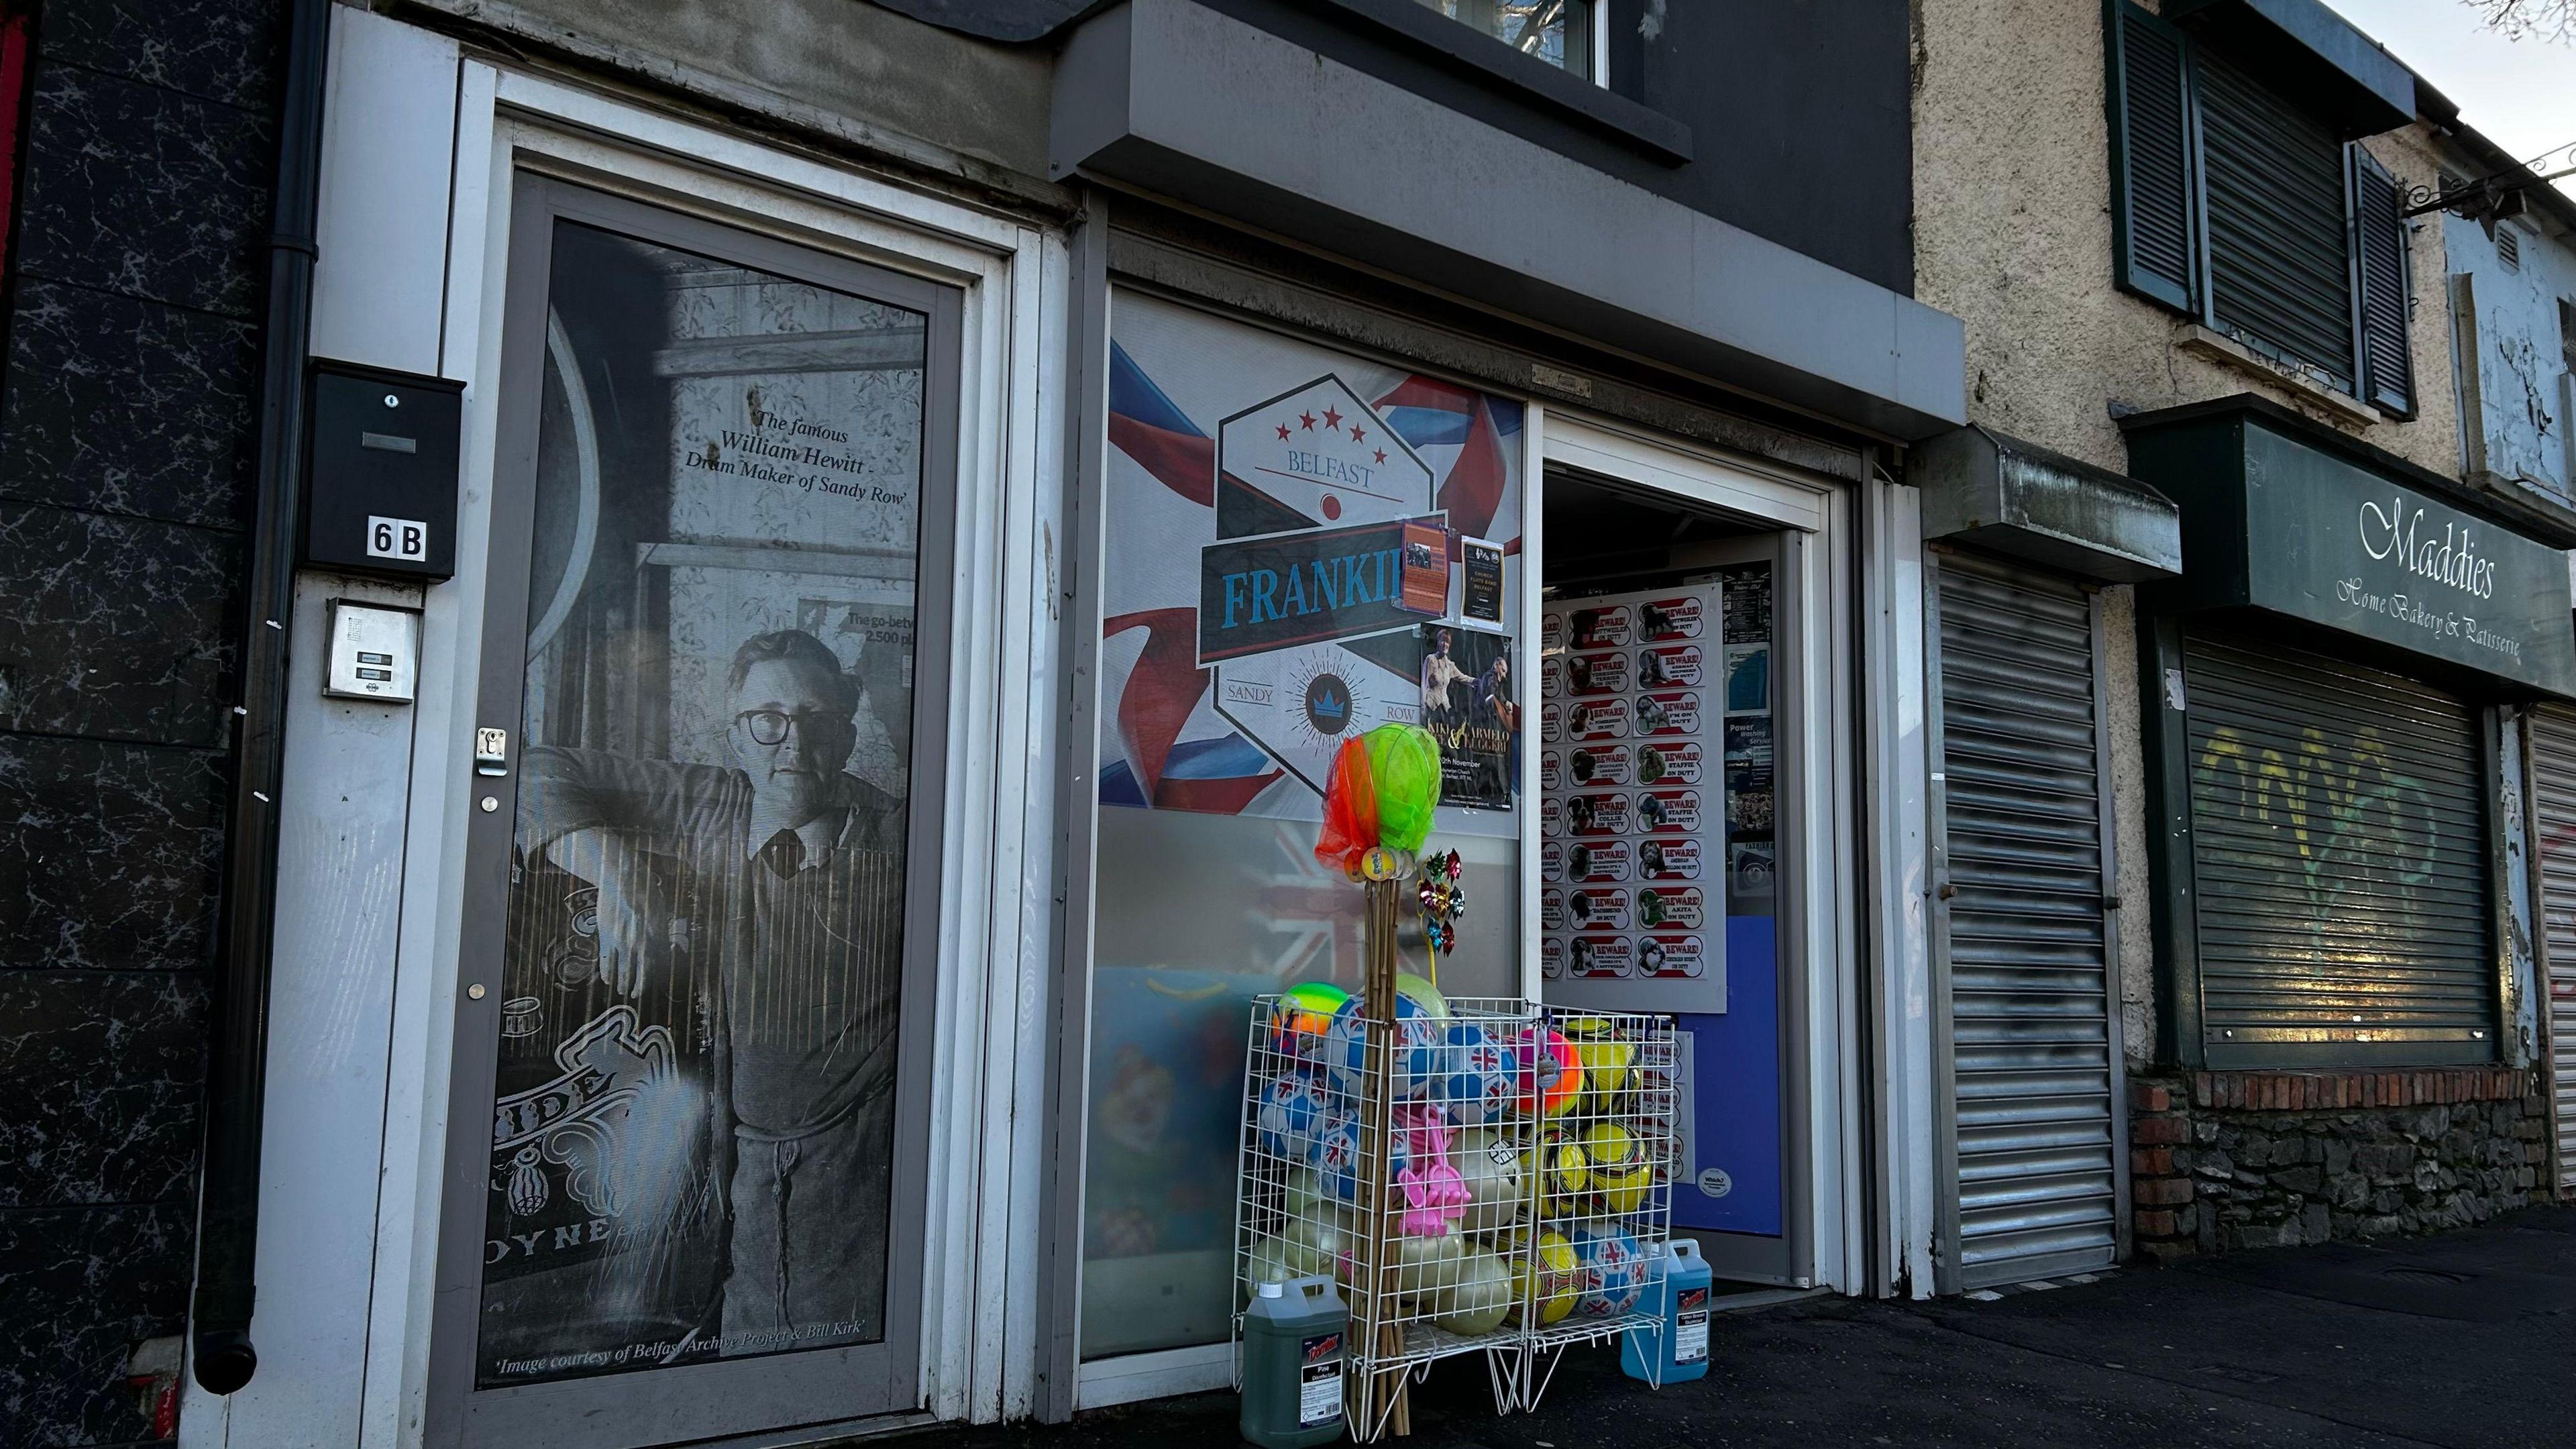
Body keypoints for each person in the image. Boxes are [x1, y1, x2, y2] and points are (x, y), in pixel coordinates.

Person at [521, 628, 908, 1359]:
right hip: (736, 1185)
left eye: (817, 722)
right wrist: (618, 875)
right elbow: (531, 770)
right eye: (767, 721)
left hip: (847, 1185)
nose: (790, 743)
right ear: (736, 734)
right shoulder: (715, 801)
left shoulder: (898, 839)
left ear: (849, 736)